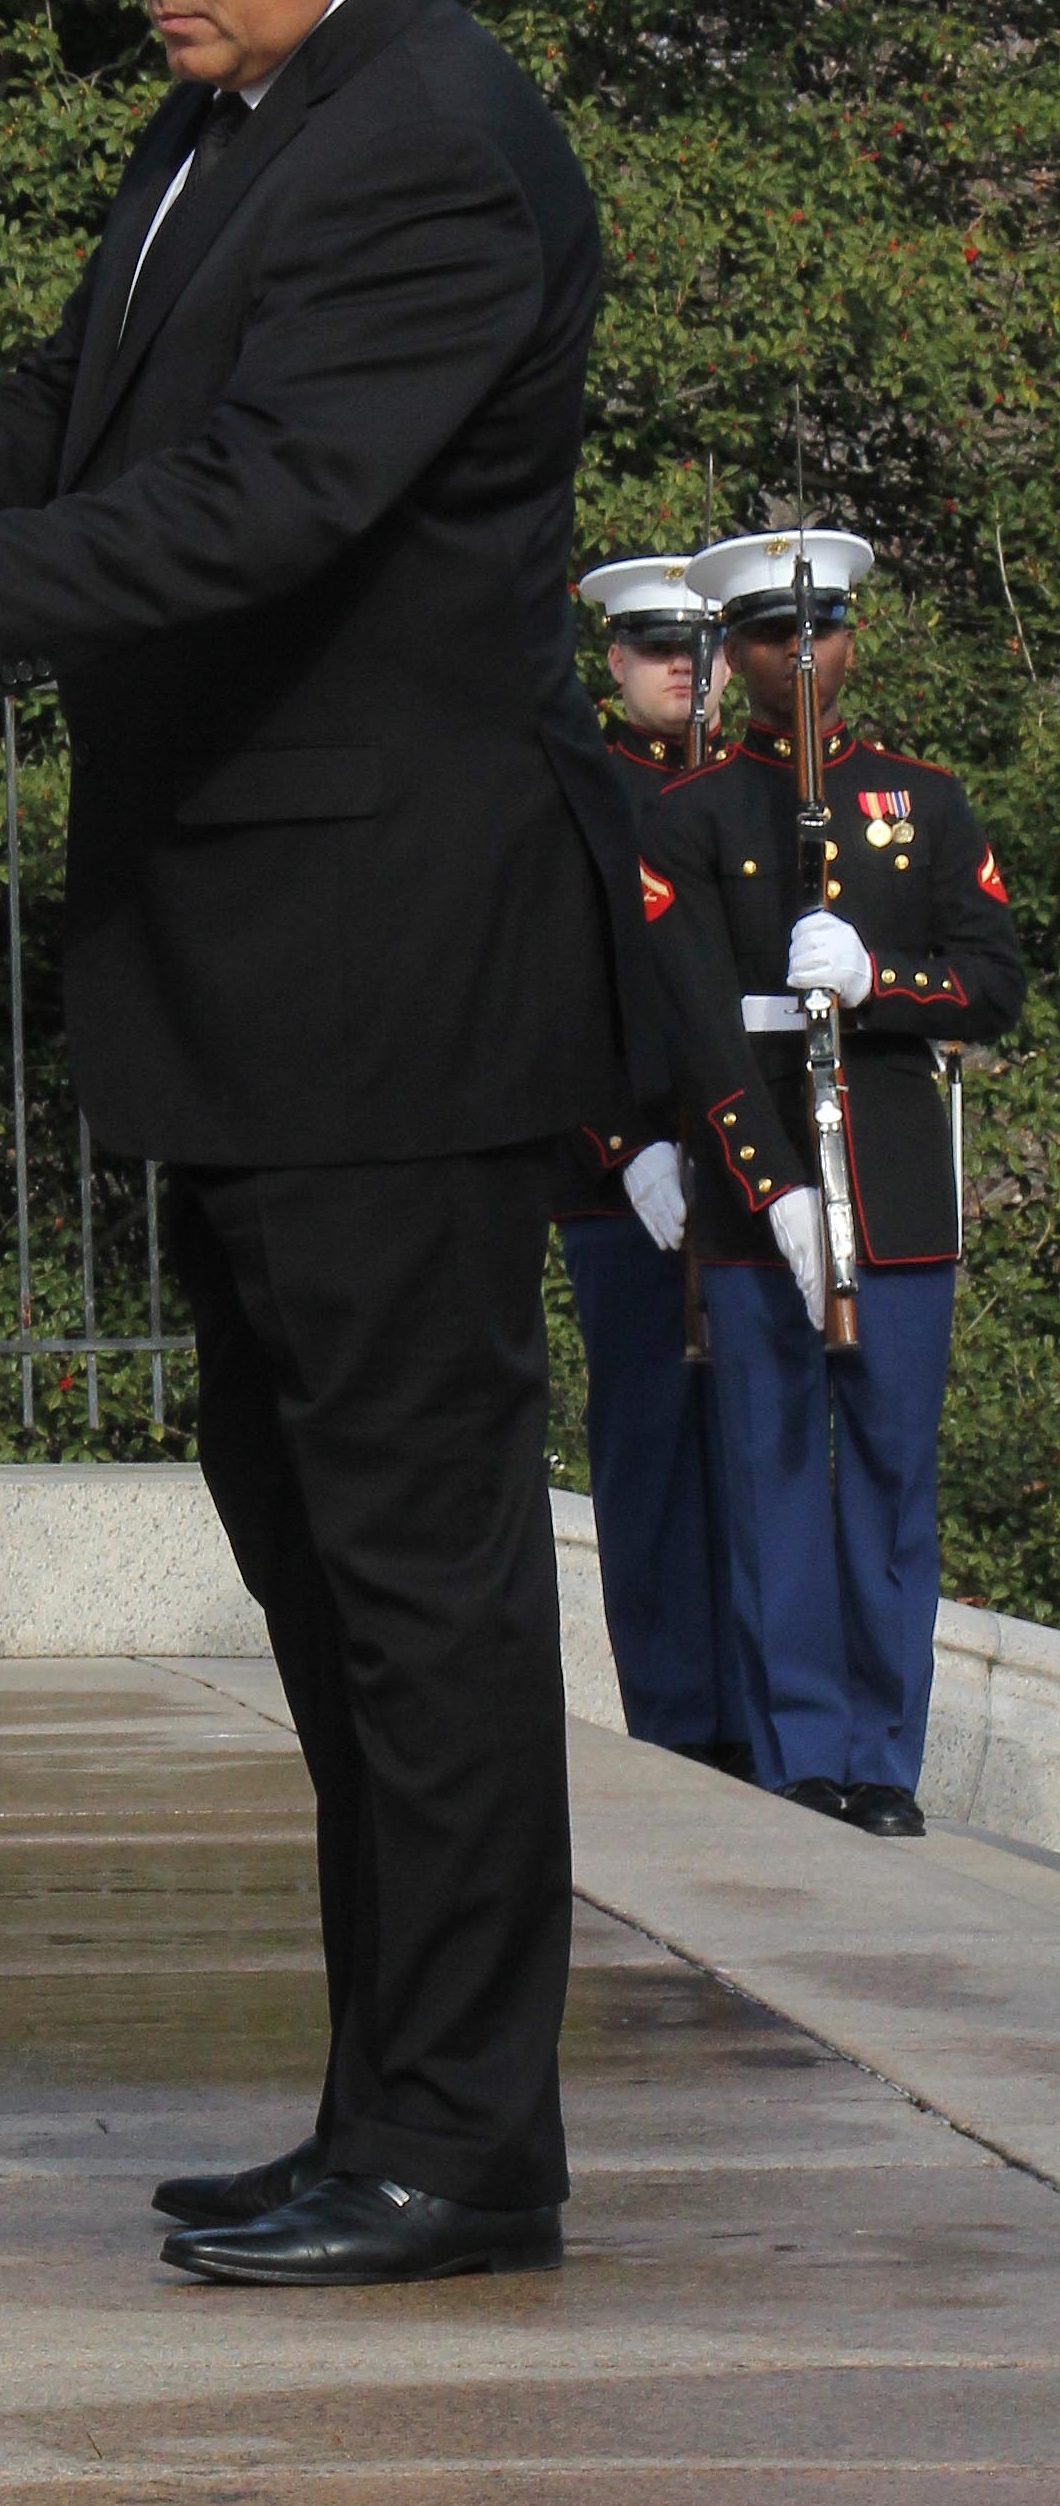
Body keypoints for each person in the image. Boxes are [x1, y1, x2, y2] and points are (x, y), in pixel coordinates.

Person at [0, 0, 641, 2290]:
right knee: (326, 1576)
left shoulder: (435, 139)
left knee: (417, 1580)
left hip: (390, 979)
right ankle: (391, 2111)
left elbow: (271, 501)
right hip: (265, 977)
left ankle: (463, 2143)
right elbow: (103, 404)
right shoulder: (258, 123)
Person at [638, 531, 1025, 1837]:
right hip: (762, 1206)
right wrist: (778, 1192)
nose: (796, 659)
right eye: (766, 637)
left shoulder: (923, 797)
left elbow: (995, 978)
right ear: (733, 654)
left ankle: (884, 1760)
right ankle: (800, 1749)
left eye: (819, 632)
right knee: (772, 1486)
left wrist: (882, 981)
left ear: (852, 642)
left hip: (902, 1194)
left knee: (891, 1487)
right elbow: (693, 1021)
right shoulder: (688, 818)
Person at [558, 555, 750, 1777]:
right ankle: (679, 1718)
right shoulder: (578, 795)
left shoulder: (768, 792)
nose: (685, 668)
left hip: (755, 1173)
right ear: (616, 663)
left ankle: (762, 1709)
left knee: (762, 1440)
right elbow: (553, 994)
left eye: (703, 648)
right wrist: (625, 1150)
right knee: (648, 1442)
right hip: (620, 1176)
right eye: (657, 647)